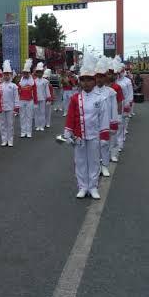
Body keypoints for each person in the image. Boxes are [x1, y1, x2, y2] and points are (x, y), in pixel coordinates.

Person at [63, 53, 110, 199]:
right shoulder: (76, 98)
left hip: (94, 135)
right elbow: (71, 116)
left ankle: (93, 187)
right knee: (80, 162)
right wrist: (68, 132)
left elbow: (104, 118)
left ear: (94, 80)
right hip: (79, 136)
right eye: (83, 80)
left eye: (89, 80)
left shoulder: (100, 98)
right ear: (80, 82)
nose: (86, 83)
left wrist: (104, 136)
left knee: (94, 162)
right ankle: (83, 186)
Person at [95, 57, 117, 177]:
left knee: (105, 144)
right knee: (95, 146)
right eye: (97, 76)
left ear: (105, 78)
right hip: (93, 123)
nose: (99, 79)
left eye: (102, 76)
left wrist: (114, 123)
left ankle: (104, 166)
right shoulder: (90, 91)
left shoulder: (110, 92)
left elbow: (114, 108)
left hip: (106, 123)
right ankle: (97, 166)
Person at [0, 60, 19, 147]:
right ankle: (4, 140)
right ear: (3, 75)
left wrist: (16, 107)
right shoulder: (0, 85)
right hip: (2, 107)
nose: (6, 76)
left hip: (10, 107)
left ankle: (10, 140)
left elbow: (16, 97)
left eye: (8, 74)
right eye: (5, 74)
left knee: (10, 124)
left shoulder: (14, 86)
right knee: (2, 124)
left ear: (10, 75)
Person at [18, 59, 37, 138]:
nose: (25, 74)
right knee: (22, 116)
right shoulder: (20, 82)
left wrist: (35, 102)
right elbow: (17, 93)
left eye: (26, 73)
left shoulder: (32, 82)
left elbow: (35, 93)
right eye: (24, 73)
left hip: (30, 101)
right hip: (22, 100)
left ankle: (28, 132)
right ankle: (23, 132)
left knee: (29, 116)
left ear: (29, 73)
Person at [33, 62, 51, 131]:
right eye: (38, 72)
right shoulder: (34, 81)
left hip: (43, 98)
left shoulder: (45, 81)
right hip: (36, 98)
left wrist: (48, 98)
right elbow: (33, 91)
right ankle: (37, 125)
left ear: (43, 73)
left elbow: (47, 90)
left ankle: (42, 125)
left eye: (41, 72)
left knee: (42, 112)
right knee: (36, 112)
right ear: (36, 73)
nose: (39, 74)